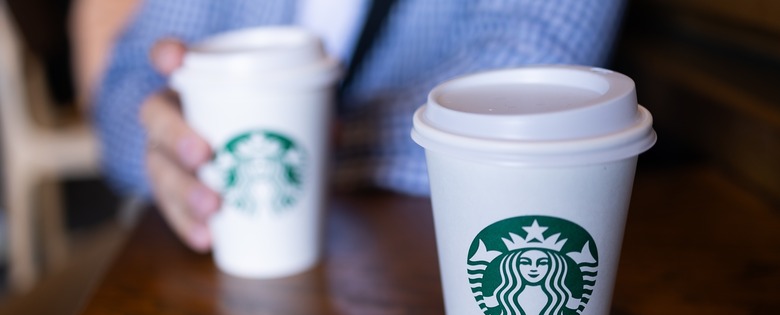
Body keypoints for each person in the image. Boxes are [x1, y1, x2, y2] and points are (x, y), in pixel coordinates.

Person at [78, 0, 627, 252]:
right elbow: (128, 85)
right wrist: (176, 139)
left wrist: (295, 141)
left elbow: (533, 72)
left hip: (422, 265)